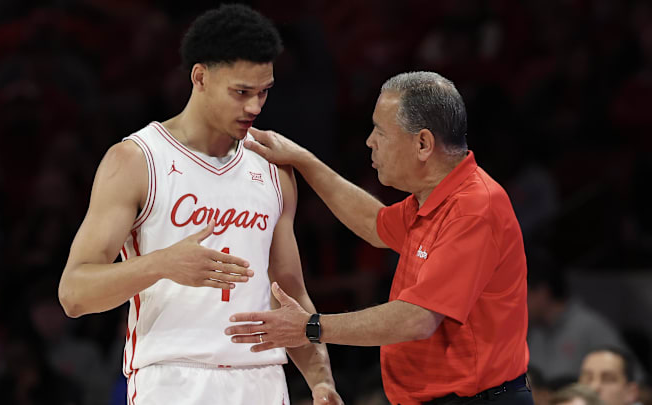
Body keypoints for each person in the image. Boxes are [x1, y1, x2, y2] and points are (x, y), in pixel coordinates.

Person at [57, 4, 342, 404]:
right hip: (173, 379)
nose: (255, 107)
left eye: (264, 92)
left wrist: (321, 380)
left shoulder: (274, 170)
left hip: (262, 379)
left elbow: (290, 291)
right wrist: (162, 264)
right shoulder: (137, 160)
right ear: (200, 77)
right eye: (241, 92)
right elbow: (74, 293)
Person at [225, 71, 532, 405]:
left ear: (423, 144)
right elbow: (373, 224)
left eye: (381, 132)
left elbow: (416, 319)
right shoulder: (434, 198)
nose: (370, 141)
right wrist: (304, 160)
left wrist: (309, 326)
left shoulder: (474, 207)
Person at [527, 249, 627, 383]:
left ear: (542, 292)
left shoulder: (590, 326)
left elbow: (638, 385)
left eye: (521, 294)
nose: (515, 304)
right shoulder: (533, 331)